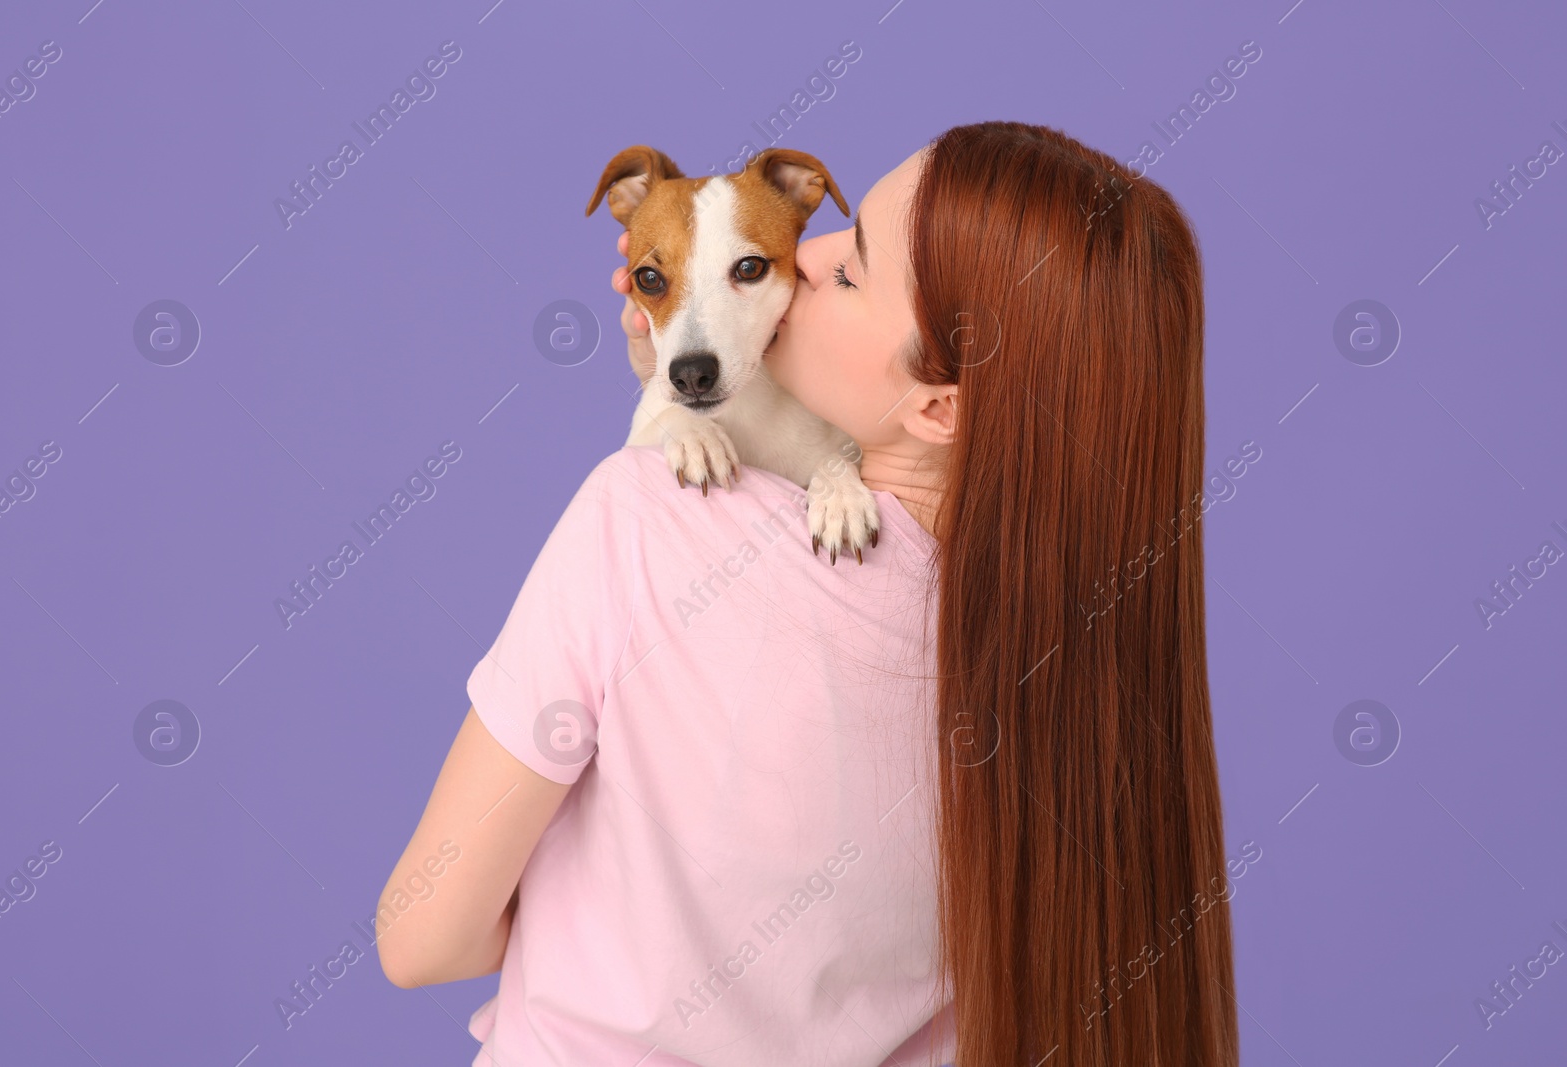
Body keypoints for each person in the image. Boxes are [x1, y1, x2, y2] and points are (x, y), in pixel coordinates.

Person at [378, 120, 1238, 1067]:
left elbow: (422, 939)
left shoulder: (633, 524)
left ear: (939, 404)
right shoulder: (1079, 684)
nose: (807, 254)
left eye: (856, 265)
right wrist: (693, 374)